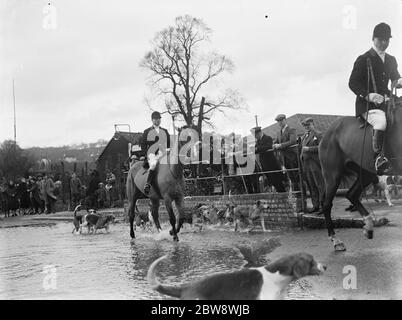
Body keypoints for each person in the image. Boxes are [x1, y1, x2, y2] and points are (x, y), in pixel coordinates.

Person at [349, 22, 402, 174]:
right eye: (381, 39)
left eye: (387, 40)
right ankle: (379, 158)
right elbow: (352, 82)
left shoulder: (391, 59)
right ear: (374, 39)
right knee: (381, 122)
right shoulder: (363, 59)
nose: (385, 42)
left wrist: (399, 81)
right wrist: (368, 95)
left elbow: (395, 78)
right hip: (368, 105)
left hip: (387, 101)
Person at [140, 111, 171, 195]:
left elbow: (169, 143)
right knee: (153, 165)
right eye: (156, 119)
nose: (158, 120)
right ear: (152, 120)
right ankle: (148, 184)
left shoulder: (165, 130)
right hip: (152, 154)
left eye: (159, 119)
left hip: (163, 153)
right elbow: (143, 144)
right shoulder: (146, 131)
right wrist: (145, 154)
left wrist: (170, 149)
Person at [300, 117, 324, 214]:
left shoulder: (318, 134)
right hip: (306, 164)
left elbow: (322, 147)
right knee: (311, 185)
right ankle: (316, 205)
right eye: (305, 126)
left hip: (314, 163)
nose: (307, 127)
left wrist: (309, 149)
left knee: (319, 185)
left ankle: (324, 206)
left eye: (308, 125)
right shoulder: (304, 136)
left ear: (312, 124)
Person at [252, 126, 286, 192]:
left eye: (255, 135)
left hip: (272, 165)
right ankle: (279, 198)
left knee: (278, 183)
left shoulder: (268, 138)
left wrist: (258, 149)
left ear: (259, 133)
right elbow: (255, 150)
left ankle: (284, 197)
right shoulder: (258, 141)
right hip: (265, 166)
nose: (255, 137)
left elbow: (268, 147)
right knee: (271, 183)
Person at [272, 114, 300, 191]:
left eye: (281, 120)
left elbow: (292, 141)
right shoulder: (279, 132)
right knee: (292, 178)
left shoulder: (291, 129)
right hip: (284, 159)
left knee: (298, 178)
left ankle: (302, 196)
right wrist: (274, 145)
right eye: (278, 121)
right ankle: (296, 197)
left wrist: (280, 145)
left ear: (285, 120)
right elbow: (277, 141)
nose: (280, 123)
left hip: (293, 157)